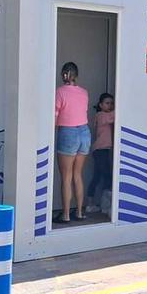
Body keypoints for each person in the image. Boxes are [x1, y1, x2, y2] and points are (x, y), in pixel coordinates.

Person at [54, 62, 90, 222]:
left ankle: (66, 214)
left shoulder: (59, 92)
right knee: (77, 174)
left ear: (64, 74)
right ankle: (80, 212)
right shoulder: (84, 92)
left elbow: (55, 116)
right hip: (85, 132)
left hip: (68, 132)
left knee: (66, 177)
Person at [87, 93, 115, 214]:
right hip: (101, 151)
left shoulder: (104, 115)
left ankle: (91, 204)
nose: (110, 106)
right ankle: (106, 206)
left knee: (97, 177)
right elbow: (114, 116)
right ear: (100, 105)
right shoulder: (101, 115)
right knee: (108, 177)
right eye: (107, 103)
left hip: (103, 150)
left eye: (111, 103)